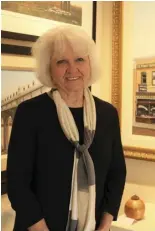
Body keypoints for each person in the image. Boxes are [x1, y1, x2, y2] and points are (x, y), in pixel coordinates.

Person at [7, 25, 127, 231]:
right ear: (49, 69)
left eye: (80, 59)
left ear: (90, 64)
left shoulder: (107, 114)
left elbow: (116, 174)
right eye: (62, 61)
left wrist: (105, 226)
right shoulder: (30, 113)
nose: (72, 69)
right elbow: (18, 185)